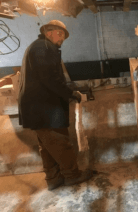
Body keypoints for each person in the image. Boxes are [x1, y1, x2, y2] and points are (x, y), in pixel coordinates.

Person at [18, 20, 93, 190]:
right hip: (44, 107)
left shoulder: (38, 47)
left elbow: (48, 76)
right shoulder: (44, 47)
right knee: (59, 141)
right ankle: (72, 175)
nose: (62, 39)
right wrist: (70, 93)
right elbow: (50, 79)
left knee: (47, 145)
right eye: (60, 34)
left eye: (64, 37)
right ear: (49, 32)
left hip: (37, 107)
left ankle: (53, 178)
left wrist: (69, 89)